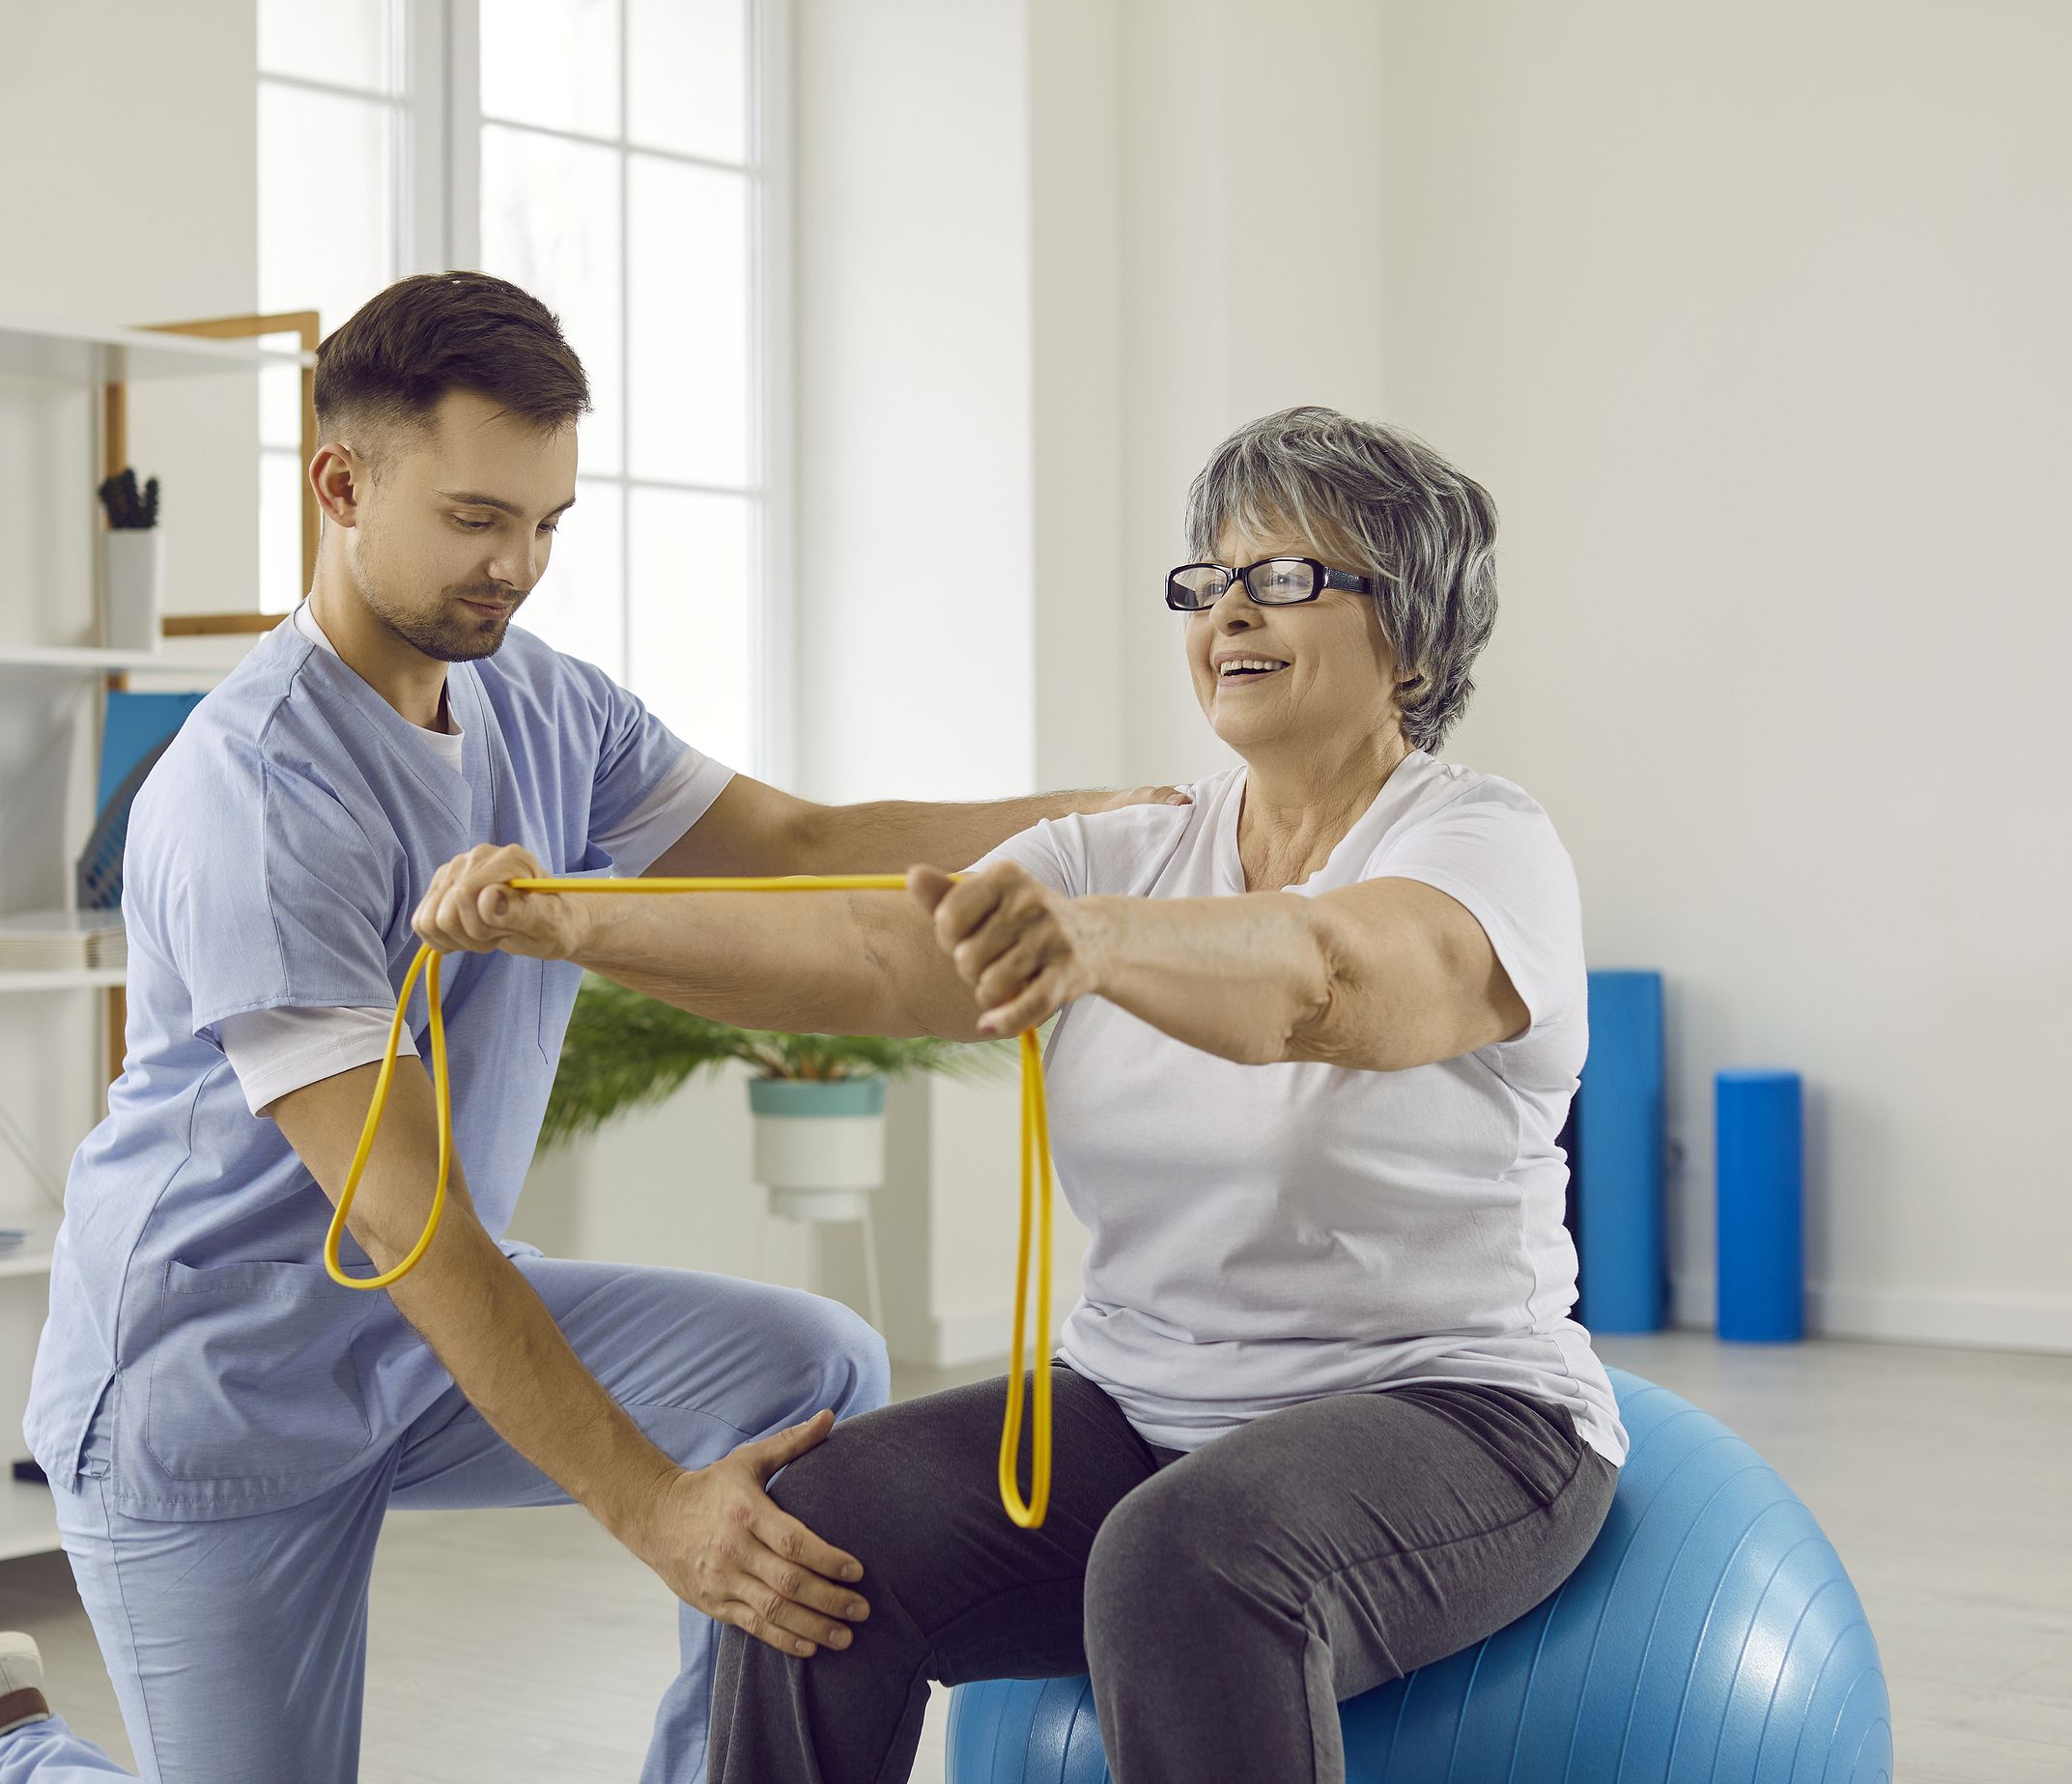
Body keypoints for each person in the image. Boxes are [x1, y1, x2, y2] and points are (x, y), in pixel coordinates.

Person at [0, 271, 1181, 1784]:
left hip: (413, 1342)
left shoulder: (541, 703)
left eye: (546, 524)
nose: (516, 565)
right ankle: (13, 1757)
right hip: (214, 1389)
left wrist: (1097, 827)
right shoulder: (257, 795)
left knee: (811, 1370)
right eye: (476, 519)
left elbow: (800, 845)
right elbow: (408, 1222)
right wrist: (658, 1513)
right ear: (342, 483)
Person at [410, 406, 1629, 1784]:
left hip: (1453, 1413)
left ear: (1408, 630)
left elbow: (1333, 979)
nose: (1230, 609)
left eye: (1285, 576)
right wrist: (578, 924)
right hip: (1142, 1402)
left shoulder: (1482, 843)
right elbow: (870, 954)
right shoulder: (1129, 848)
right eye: (1209, 580)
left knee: (1191, 1557)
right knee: (815, 1532)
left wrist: (1098, 942)